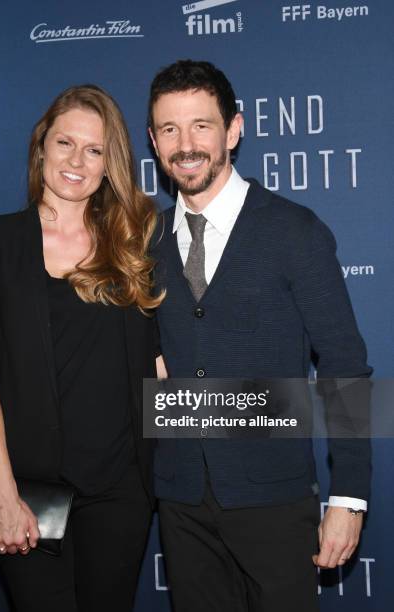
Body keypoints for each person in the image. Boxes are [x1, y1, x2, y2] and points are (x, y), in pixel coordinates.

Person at [148, 60, 371, 612]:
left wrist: (349, 496)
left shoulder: (294, 230)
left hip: (275, 497)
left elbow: (345, 365)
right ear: (152, 141)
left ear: (234, 129)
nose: (186, 145)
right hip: (180, 500)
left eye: (201, 125)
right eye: (169, 130)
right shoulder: (147, 241)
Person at [0, 84, 164, 612]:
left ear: (109, 162)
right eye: (65, 143)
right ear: (41, 147)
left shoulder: (134, 244)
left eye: (94, 150)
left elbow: (159, 364)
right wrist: (3, 497)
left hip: (121, 491)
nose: (77, 161)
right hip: (27, 490)